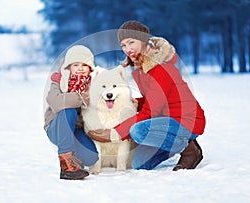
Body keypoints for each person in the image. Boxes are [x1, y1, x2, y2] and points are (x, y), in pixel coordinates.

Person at [88, 21, 206, 171]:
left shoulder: (161, 69)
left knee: (139, 130)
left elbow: (151, 111)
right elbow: (156, 100)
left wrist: (116, 132)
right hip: (165, 122)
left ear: (143, 41)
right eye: (123, 45)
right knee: (139, 164)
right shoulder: (141, 70)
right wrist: (132, 103)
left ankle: (189, 149)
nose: (127, 49)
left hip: (186, 120)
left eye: (132, 42)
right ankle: (171, 144)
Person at [44, 45, 98, 180]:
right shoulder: (59, 81)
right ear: (69, 67)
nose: (80, 68)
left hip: (77, 130)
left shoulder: (95, 83)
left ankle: (76, 158)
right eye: (76, 65)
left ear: (90, 68)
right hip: (56, 127)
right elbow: (56, 102)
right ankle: (66, 165)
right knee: (68, 111)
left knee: (91, 157)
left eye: (84, 65)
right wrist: (82, 98)